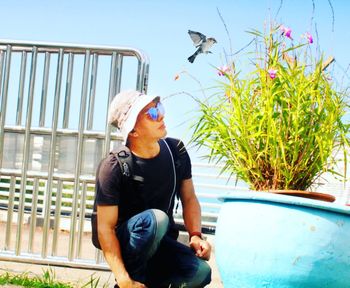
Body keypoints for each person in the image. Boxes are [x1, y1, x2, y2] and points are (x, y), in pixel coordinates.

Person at [92, 90, 212, 288]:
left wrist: (195, 235)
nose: (161, 115)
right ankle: (132, 283)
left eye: (159, 108)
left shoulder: (176, 152)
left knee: (200, 272)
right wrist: (123, 279)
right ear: (133, 131)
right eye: (152, 114)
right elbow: (105, 228)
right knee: (156, 220)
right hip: (127, 242)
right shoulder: (113, 166)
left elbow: (189, 198)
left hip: (160, 242)